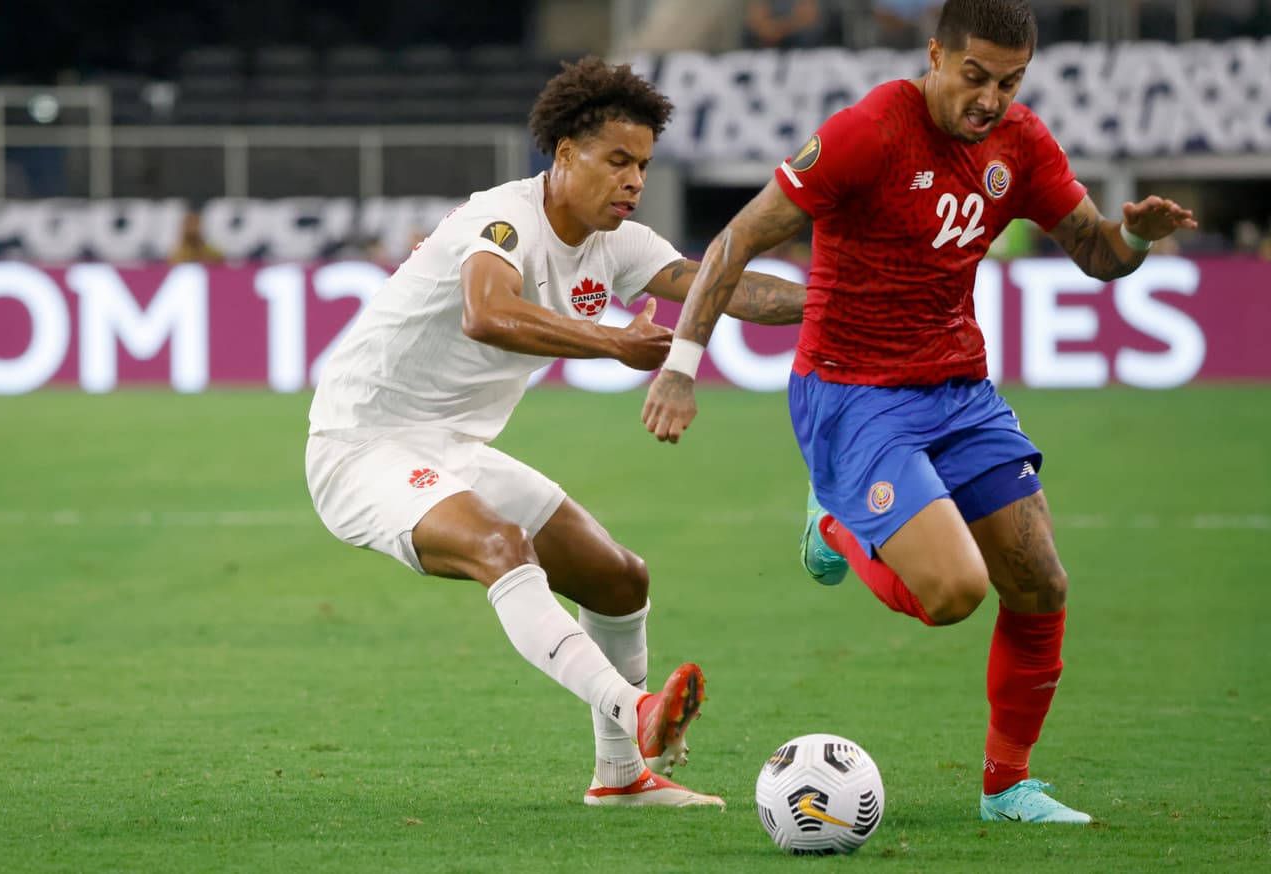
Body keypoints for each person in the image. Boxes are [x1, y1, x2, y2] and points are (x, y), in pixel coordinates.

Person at [641, 0, 1196, 824]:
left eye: (1010, 83)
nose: (991, 99)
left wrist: (1136, 238)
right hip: (854, 392)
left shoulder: (1022, 144)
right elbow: (736, 240)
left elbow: (1096, 252)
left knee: (1041, 584)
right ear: (935, 56)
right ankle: (834, 521)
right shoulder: (870, 132)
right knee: (954, 594)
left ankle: (1007, 788)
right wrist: (682, 367)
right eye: (975, 76)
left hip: (959, 390)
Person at [306, 57, 806, 808]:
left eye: (643, 165)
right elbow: (487, 313)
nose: (633, 181)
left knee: (619, 579)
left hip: (451, 448)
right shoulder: (501, 219)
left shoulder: (620, 243)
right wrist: (613, 342)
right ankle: (635, 710)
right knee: (501, 545)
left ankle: (621, 778)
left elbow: (721, 286)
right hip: (362, 444)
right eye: (617, 161)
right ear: (565, 154)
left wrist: (839, 301)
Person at [742, 0, 826, 49]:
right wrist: (793, 23)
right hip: (763, 54)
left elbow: (809, 17)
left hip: (804, 54)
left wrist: (776, 29)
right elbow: (759, 22)